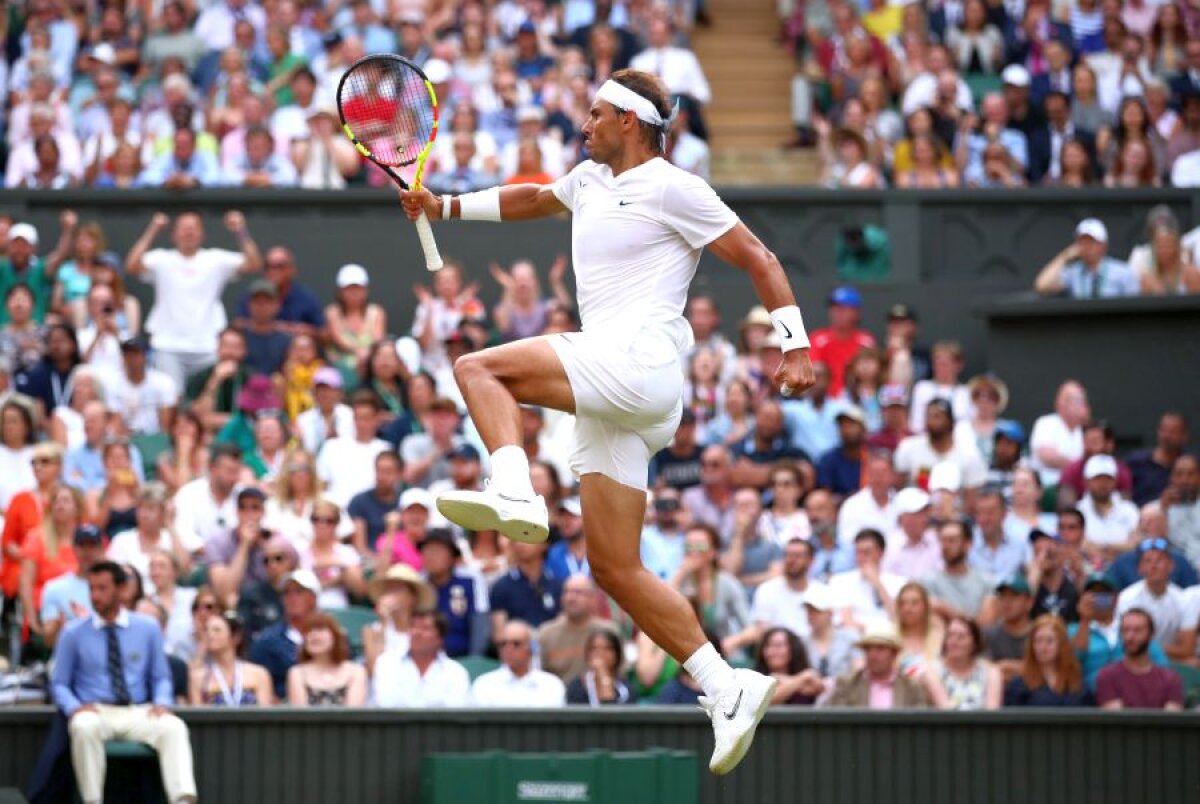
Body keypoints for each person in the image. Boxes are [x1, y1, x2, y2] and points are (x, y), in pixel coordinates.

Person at [399, 67, 815, 774]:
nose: (583, 125)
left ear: (629, 121)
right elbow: (534, 197)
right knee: (615, 567)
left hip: (638, 363)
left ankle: (514, 487)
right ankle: (726, 685)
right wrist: (446, 209)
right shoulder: (588, 182)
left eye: (594, 114)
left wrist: (795, 341)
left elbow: (758, 256)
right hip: (622, 393)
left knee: (478, 369)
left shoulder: (677, 187)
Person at [51, 562, 198, 804]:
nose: (95, 596)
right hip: (96, 711)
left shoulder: (147, 628)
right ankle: (92, 800)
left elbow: (160, 676)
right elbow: (59, 684)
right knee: (82, 725)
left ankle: (182, 800)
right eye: (92, 589)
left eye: (102, 588)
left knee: (174, 727)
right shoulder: (73, 632)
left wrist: (162, 702)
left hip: (137, 711)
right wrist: (74, 707)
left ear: (121, 590)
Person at [124, 211, 263, 389]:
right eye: (184, 228)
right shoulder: (161, 259)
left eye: (193, 228)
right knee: (171, 401)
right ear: (174, 235)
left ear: (202, 234)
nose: (189, 232)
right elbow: (132, 265)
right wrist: (153, 230)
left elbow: (254, 264)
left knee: (205, 401)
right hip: (168, 346)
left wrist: (240, 231)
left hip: (207, 347)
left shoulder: (215, 259)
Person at [372, 609, 470, 708]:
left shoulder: (456, 672)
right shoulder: (387, 663)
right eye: (413, 626)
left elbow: (455, 714)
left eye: (425, 628)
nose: (416, 632)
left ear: (440, 639)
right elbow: (385, 705)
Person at [249, 569, 320, 699]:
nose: (291, 598)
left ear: (313, 598)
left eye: (298, 592)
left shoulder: (331, 637)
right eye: (286, 593)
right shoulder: (267, 641)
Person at [1095, 608, 1184, 710]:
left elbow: (1171, 720)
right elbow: (1116, 720)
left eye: (1137, 630)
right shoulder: (1107, 676)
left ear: (1151, 634)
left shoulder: (1170, 679)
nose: (1130, 636)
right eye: (1126, 630)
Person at [827, 621, 932, 708]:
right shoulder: (847, 685)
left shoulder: (912, 688)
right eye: (868, 649)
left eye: (880, 648)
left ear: (894, 653)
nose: (873, 655)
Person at [1034, 218, 1139, 298]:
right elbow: (1042, 286)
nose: (1086, 246)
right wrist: (1064, 256)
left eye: (1091, 242)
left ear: (1103, 245)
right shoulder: (1073, 272)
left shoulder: (1123, 271)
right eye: (1082, 242)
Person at [470, 620, 566, 707]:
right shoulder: (484, 685)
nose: (508, 649)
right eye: (503, 644)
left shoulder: (551, 686)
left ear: (532, 648)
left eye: (516, 644)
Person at [1003, 614, 1094, 707]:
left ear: (1061, 645)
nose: (1043, 647)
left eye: (1049, 641)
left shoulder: (1077, 684)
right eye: (1038, 641)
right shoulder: (1018, 685)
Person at [188, 611, 274, 706]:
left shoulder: (259, 674)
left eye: (217, 630)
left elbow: (265, 714)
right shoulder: (198, 678)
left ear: (235, 637)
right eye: (206, 630)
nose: (210, 635)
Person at [538, 574, 613, 683]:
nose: (570, 598)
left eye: (578, 592)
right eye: (566, 592)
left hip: (598, 697)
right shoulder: (546, 634)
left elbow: (620, 674)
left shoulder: (608, 632)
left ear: (593, 598)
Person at [828, 529, 906, 628]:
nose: (861, 557)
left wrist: (877, 584)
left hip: (891, 638)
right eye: (858, 552)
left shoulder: (899, 582)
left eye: (867, 552)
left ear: (881, 553)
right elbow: (846, 622)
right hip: (855, 638)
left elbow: (899, 619)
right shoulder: (840, 581)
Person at [287, 612, 369, 706]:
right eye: (308, 631)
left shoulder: (356, 672)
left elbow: (354, 715)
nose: (313, 635)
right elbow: (300, 716)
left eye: (320, 629)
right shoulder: (297, 673)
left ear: (336, 636)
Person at [921, 518, 995, 621]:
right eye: (942, 540)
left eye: (951, 540)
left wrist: (946, 610)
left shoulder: (985, 581)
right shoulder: (927, 581)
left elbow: (986, 623)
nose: (945, 546)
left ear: (967, 544)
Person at [927, 615, 1004, 710]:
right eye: (950, 635)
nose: (954, 641)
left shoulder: (991, 672)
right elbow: (945, 710)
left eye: (961, 637)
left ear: (975, 643)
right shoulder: (932, 670)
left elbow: (992, 712)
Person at [1078, 455, 1141, 556]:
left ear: (1115, 480)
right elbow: (1080, 545)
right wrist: (1119, 548)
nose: (1103, 483)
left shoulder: (1130, 510)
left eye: (1108, 479)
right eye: (1097, 478)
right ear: (1087, 481)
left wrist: (1100, 548)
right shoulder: (1078, 510)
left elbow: (1135, 545)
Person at [801, 584, 859, 682]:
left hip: (845, 693)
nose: (811, 615)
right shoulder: (801, 642)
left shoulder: (850, 638)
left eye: (816, 611)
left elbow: (859, 669)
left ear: (830, 613)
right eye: (809, 611)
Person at [882, 487, 941, 580]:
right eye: (919, 513)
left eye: (926, 512)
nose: (925, 519)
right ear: (903, 517)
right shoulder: (888, 546)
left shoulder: (937, 541)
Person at [565, 628, 636, 705]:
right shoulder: (576, 687)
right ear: (587, 654)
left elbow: (610, 714)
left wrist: (603, 677)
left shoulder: (626, 688)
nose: (600, 653)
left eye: (607, 648)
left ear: (617, 654)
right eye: (594, 648)